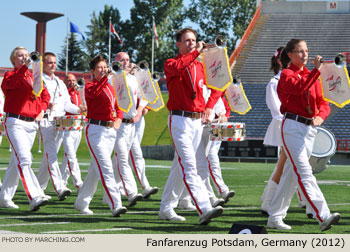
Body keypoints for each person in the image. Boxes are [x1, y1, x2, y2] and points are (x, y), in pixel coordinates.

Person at [267, 39, 340, 231]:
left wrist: (320, 117)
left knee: (292, 175)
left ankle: (274, 216)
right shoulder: (286, 74)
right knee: (304, 172)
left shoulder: (311, 75)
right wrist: (316, 71)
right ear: (290, 55)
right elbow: (299, 89)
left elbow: (324, 103)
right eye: (300, 51)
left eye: (306, 51)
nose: (305, 54)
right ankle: (323, 215)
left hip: (309, 129)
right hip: (292, 126)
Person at [159, 28, 224, 225]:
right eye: (187, 41)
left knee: (180, 167)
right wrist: (197, 52)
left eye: (194, 40)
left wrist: (210, 107)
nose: (192, 43)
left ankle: (166, 208)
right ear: (178, 44)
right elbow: (179, 66)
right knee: (189, 166)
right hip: (179, 120)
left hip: (197, 121)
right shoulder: (171, 63)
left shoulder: (200, 65)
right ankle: (204, 207)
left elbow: (218, 86)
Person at [74, 55, 127, 217]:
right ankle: (116, 204)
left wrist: (118, 118)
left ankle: (81, 202)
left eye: (105, 67)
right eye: (99, 68)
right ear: (92, 71)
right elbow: (94, 95)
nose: (103, 70)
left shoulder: (111, 87)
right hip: (95, 130)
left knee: (95, 170)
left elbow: (120, 105)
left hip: (110, 131)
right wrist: (108, 78)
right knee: (106, 168)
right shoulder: (89, 87)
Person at [0, 46, 50, 211]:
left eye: (26, 56)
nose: (24, 58)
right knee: (24, 159)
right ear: (13, 60)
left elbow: (45, 95)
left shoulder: (33, 76)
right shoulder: (10, 75)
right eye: (20, 56)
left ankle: (4, 197)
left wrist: (42, 110)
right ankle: (34, 196)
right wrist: (23, 68)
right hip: (15, 121)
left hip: (31, 124)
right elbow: (9, 86)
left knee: (17, 162)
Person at [37, 52, 85, 201]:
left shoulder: (59, 82)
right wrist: (44, 106)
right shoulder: (39, 80)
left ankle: (38, 187)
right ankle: (59, 187)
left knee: (49, 156)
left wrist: (79, 109)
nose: (53, 65)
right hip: (45, 120)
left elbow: (66, 104)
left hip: (59, 122)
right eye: (50, 62)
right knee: (51, 155)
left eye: (54, 62)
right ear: (43, 64)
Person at [59, 73, 84, 190]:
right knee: (70, 155)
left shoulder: (79, 93)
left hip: (78, 127)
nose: (72, 83)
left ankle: (63, 181)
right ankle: (78, 181)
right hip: (67, 128)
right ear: (65, 82)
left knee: (68, 156)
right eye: (69, 80)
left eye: (74, 80)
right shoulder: (65, 93)